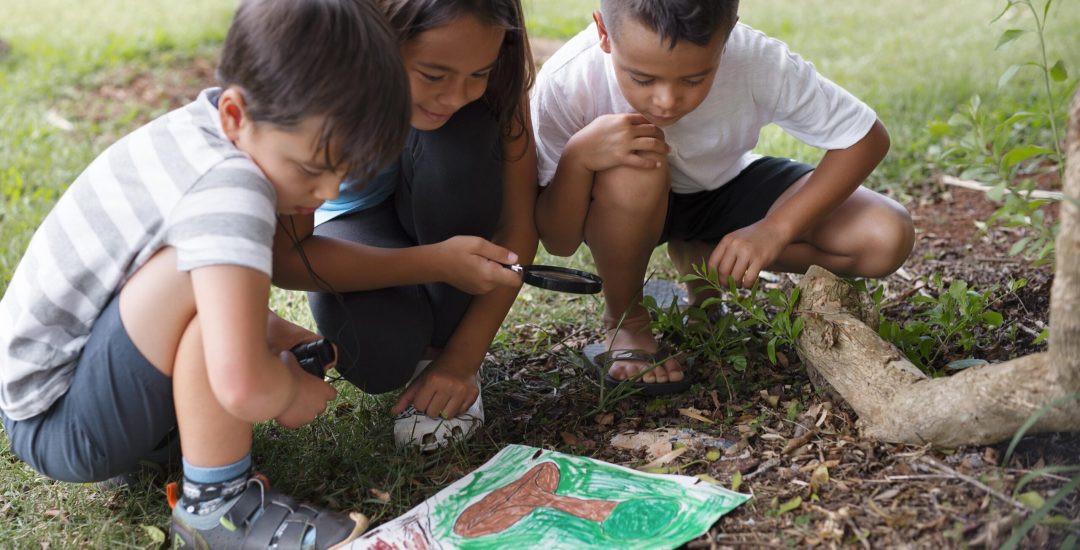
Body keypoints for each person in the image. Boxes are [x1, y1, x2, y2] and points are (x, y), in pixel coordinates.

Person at [0, 0, 410, 547]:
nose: (329, 193)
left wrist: (274, 336)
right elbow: (242, 385)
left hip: (74, 391)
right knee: (199, 277)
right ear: (237, 116)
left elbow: (184, 297)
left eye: (347, 174)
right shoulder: (232, 189)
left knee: (204, 275)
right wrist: (286, 391)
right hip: (63, 423)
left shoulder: (204, 133)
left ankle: (171, 444)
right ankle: (216, 509)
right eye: (313, 169)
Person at [531, 0, 915, 394]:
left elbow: (866, 138)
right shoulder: (568, 81)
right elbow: (558, 242)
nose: (666, 100)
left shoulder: (757, 59)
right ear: (603, 33)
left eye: (694, 79)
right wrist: (578, 157)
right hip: (625, 203)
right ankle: (626, 321)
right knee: (634, 162)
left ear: (729, 33)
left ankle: (703, 254)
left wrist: (774, 230)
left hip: (724, 186)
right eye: (643, 79)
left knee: (884, 237)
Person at [273, 0, 537, 450]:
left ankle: (438, 358)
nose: (454, 96)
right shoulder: (317, 78)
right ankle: (415, 348)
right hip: (356, 221)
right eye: (433, 75)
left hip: (443, 193)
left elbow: (518, 228)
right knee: (377, 354)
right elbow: (288, 258)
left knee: (460, 147)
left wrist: (461, 358)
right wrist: (435, 263)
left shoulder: (493, 74)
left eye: (479, 74)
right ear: (379, 36)